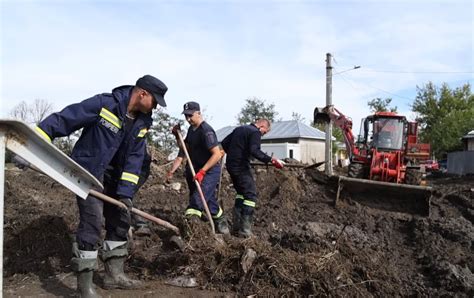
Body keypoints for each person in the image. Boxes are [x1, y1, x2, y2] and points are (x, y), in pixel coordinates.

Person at [35, 75, 167, 297]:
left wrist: (126, 194)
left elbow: (135, 160)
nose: (156, 107)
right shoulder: (106, 104)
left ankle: (114, 275)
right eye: (155, 101)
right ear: (142, 93)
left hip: (116, 178)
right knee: (92, 223)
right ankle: (85, 286)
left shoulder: (143, 123)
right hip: (90, 173)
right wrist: (38, 140)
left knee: (121, 219)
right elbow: (67, 118)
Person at [167, 101, 229, 234]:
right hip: (195, 169)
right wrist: (177, 136)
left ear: (199, 113)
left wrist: (203, 171)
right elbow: (186, 149)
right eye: (186, 116)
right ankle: (220, 219)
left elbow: (217, 154)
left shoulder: (206, 131)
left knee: (197, 199)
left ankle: (191, 230)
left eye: (190, 115)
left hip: (209, 171)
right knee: (206, 198)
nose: (188, 119)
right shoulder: (191, 130)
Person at [220, 118, 284, 238]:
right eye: (264, 132)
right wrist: (271, 160)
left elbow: (224, 143)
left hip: (231, 165)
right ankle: (245, 230)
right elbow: (255, 150)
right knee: (250, 195)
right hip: (241, 166)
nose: (262, 135)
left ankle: (236, 227)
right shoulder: (255, 132)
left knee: (241, 193)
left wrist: (236, 153)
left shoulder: (239, 129)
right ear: (262, 126)